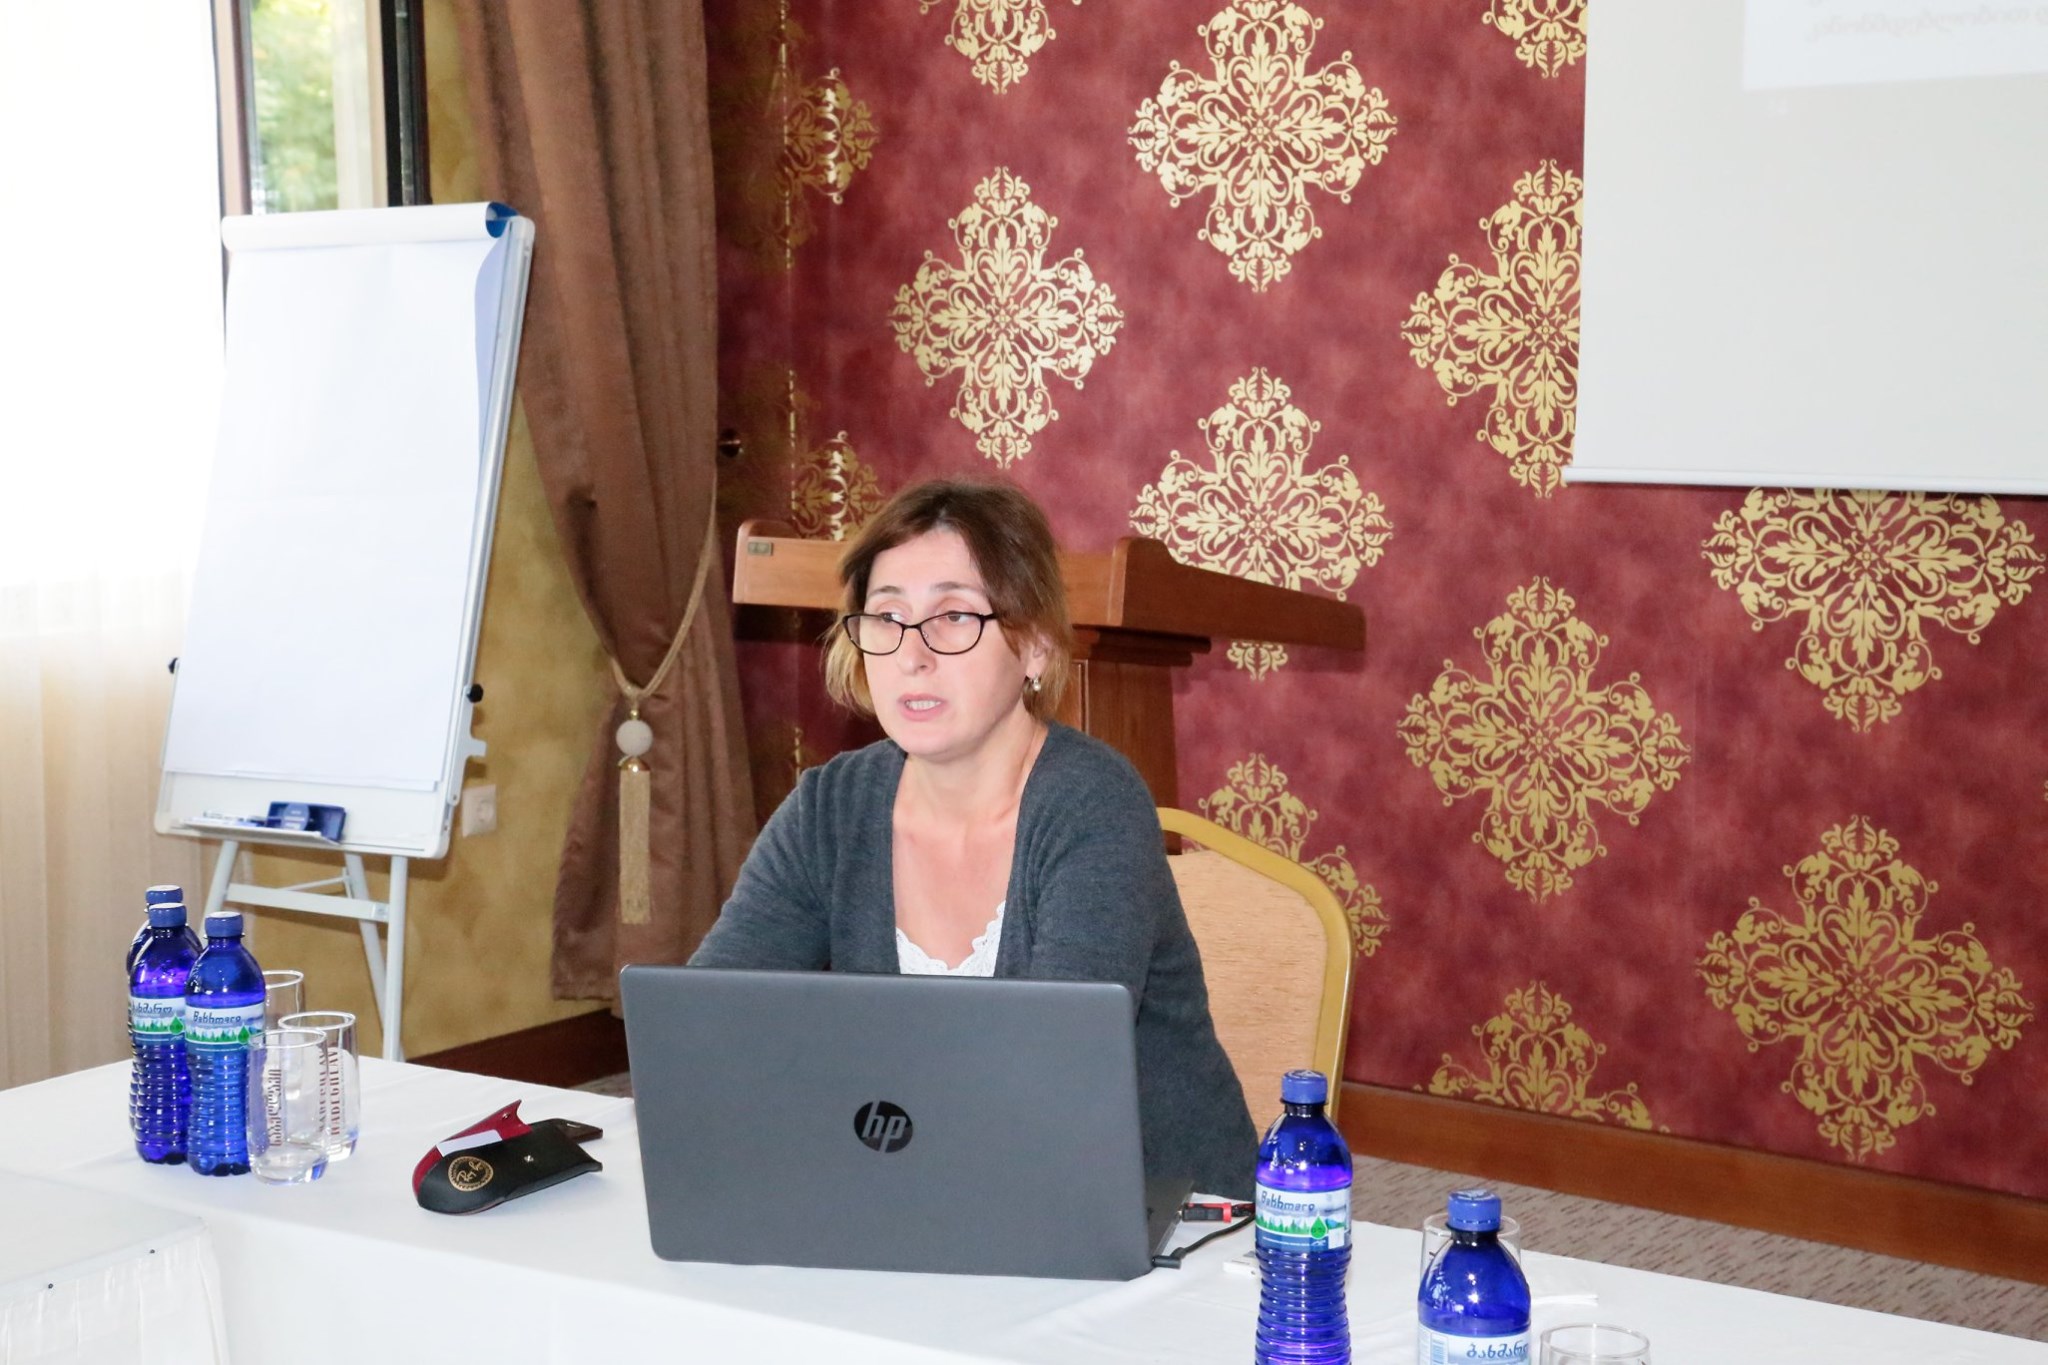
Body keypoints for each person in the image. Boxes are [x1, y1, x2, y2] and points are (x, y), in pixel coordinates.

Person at [691, 478, 1257, 1196]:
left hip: (1158, 1211)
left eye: (955, 615)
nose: (912, 655)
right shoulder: (829, 809)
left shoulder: (1094, 803)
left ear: (1036, 648)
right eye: (887, 617)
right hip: (926, 1188)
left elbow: (1051, 1073)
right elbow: (707, 1025)